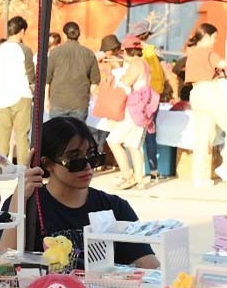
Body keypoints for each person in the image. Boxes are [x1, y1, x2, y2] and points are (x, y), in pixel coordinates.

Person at [0, 116, 160, 270]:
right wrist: (20, 197)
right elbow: (3, 266)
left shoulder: (114, 207)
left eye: (92, 156)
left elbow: (149, 266)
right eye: (75, 159)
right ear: (47, 163)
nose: (87, 166)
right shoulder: (26, 204)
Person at [184, 23, 227, 187]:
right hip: (209, 93)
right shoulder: (207, 51)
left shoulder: (192, 53)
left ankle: (199, 178)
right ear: (207, 37)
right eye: (214, 37)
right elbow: (222, 64)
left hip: (195, 94)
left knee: (203, 138)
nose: (215, 41)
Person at [106, 35, 151, 190]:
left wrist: (119, 72)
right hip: (141, 110)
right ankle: (139, 179)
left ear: (128, 51)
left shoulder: (136, 65)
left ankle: (127, 175)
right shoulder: (144, 63)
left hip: (133, 110)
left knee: (113, 140)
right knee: (134, 145)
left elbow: (126, 82)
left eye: (124, 51)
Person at [0, 16, 34, 164]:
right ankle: (23, 169)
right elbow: (31, 77)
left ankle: (0, 166)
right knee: (22, 135)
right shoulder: (24, 50)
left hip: (3, 96)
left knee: (4, 134)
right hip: (22, 94)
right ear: (22, 31)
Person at [128, 20, 167, 180]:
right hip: (154, 97)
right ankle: (153, 170)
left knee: (139, 134)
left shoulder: (140, 54)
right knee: (150, 133)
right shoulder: (152, 51)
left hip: (143, 99)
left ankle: (139, 170)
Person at [45, 21, 100, 121]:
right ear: (78, 34)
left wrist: (46, 101)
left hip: (58, 102)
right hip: (80, 104)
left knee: (57, 135)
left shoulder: (54, 53)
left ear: (64, 35)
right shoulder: (89, 54)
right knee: (76, 135)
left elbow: (47, 80)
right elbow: (94, 83)